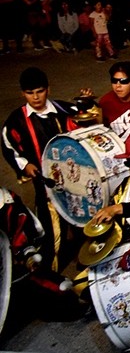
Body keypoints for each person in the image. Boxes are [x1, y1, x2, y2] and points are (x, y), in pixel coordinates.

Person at [1, 67, 79, 272]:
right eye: (30, 93)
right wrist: (25, 165)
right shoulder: (16, 121)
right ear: (22, 94)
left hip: (75, 181)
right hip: (46, 188)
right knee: (52, 234)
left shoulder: (64, 111)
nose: (35, 97)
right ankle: (50, 273)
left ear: (48, 89)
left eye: (40, 91)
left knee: (82, 225)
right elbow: (9, 147)